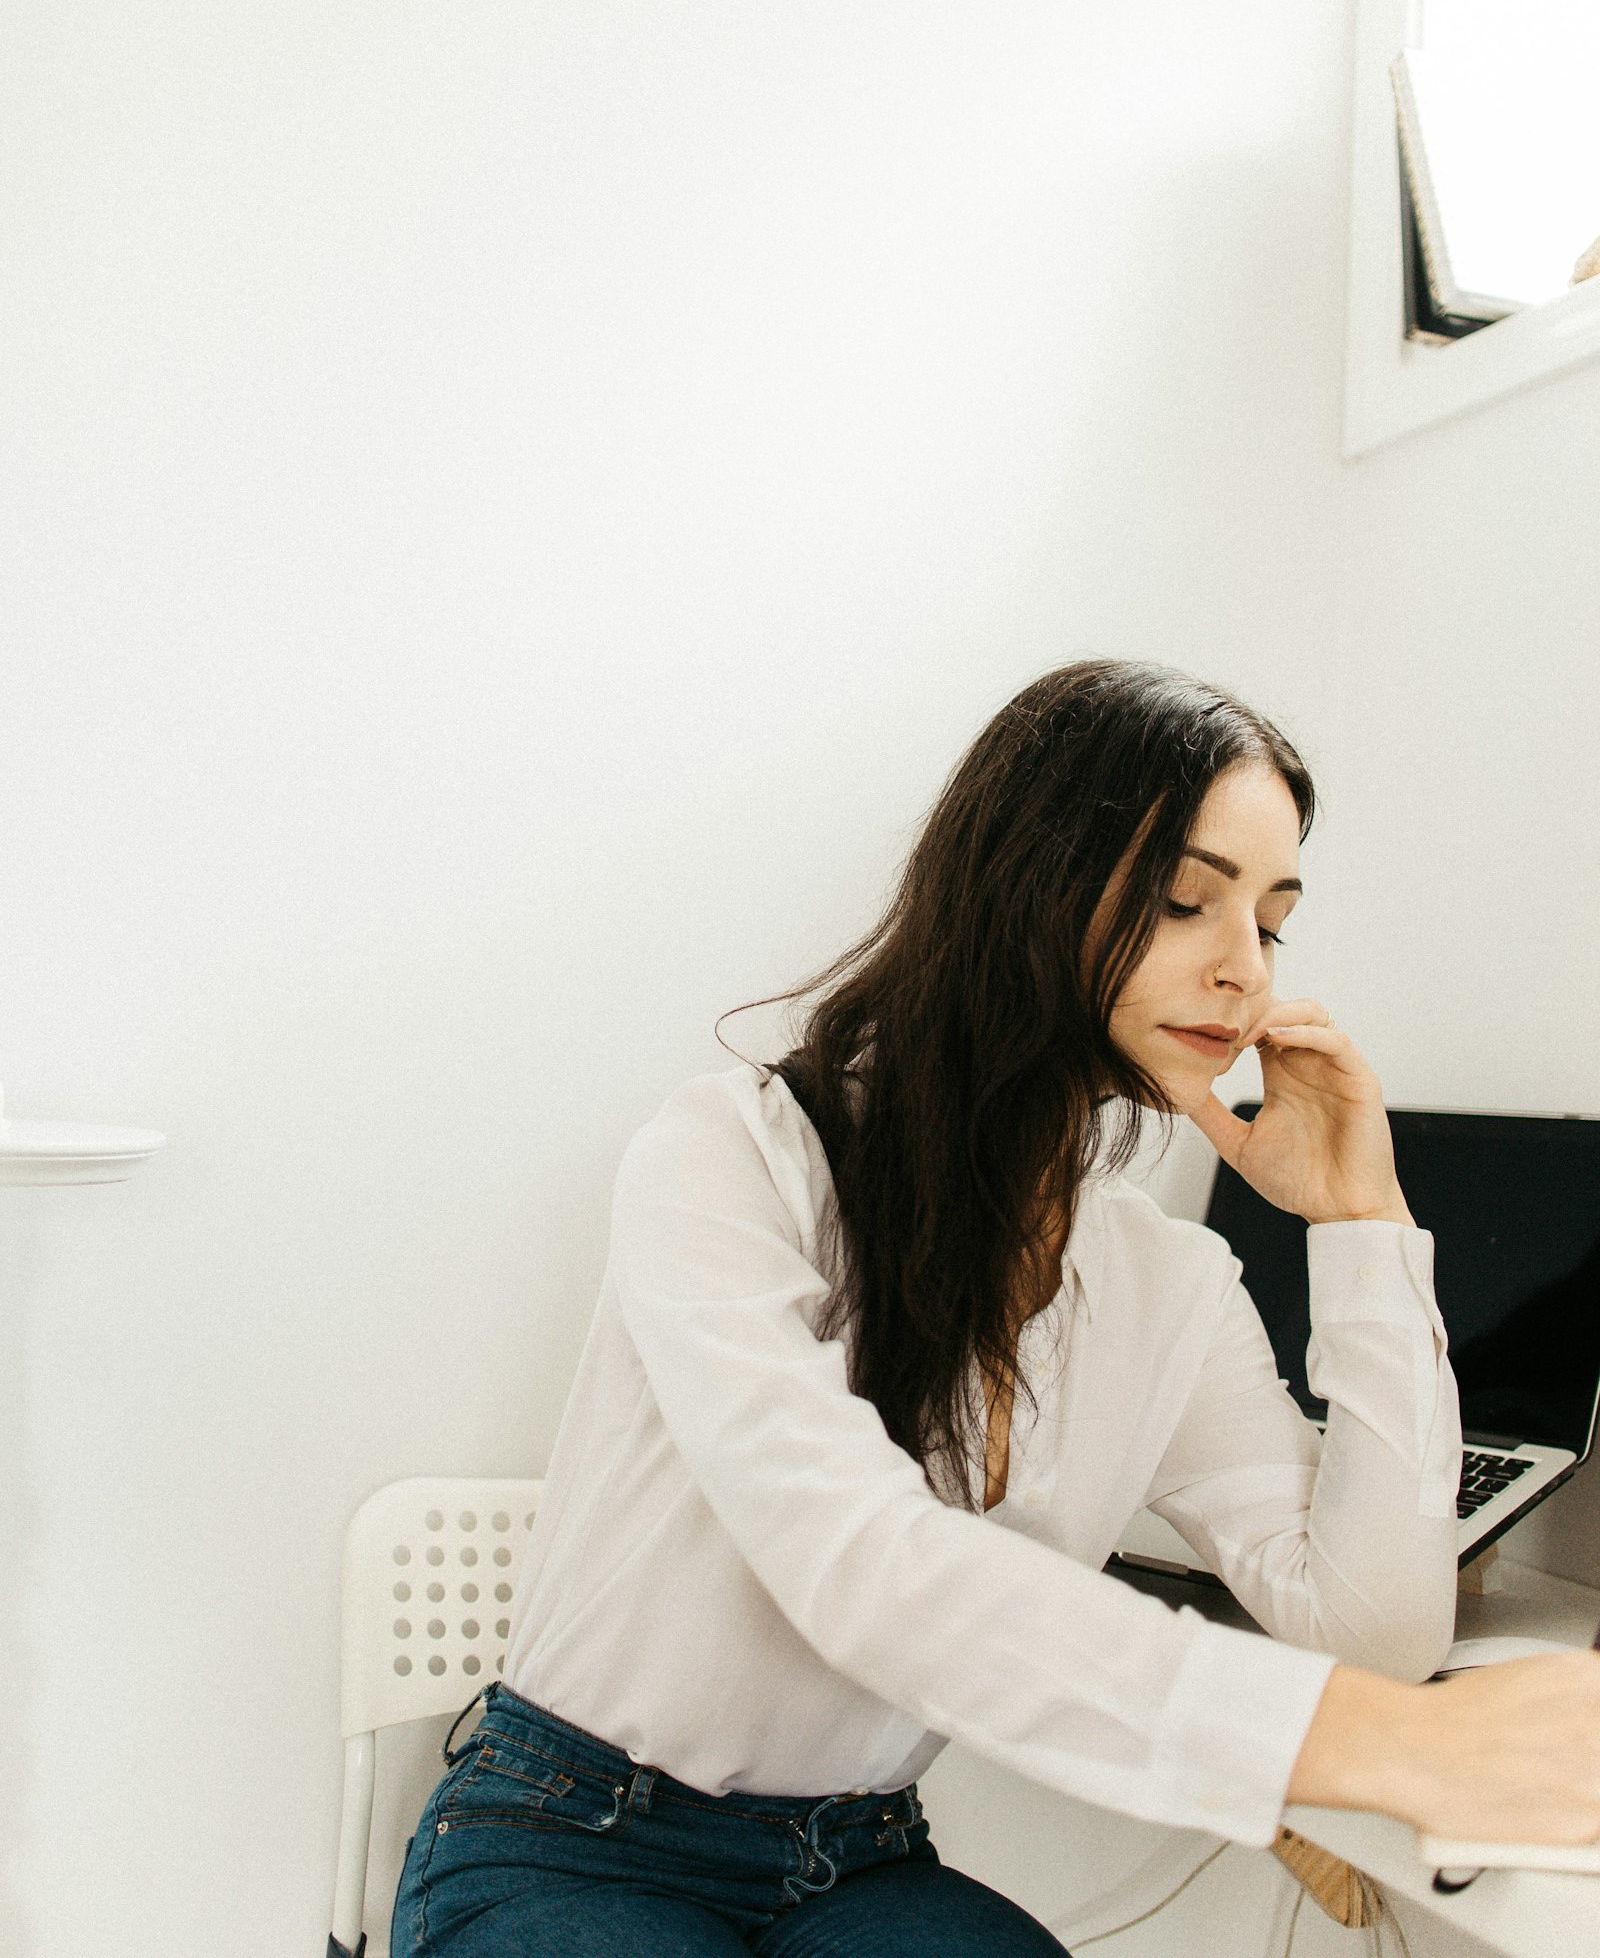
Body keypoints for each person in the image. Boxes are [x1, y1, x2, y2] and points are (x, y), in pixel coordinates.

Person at [390, 660, 1600, 1958]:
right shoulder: (737, 1157)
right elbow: (863, 1565)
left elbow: (1373, 1628)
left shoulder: (1166, 1286)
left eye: (1274, 921)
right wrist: (1381, 1747)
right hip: (570, 1833)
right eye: (1189, 899)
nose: (1246, 970)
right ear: (1029, 881)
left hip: (857, 1858)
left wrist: (1366, 1226)